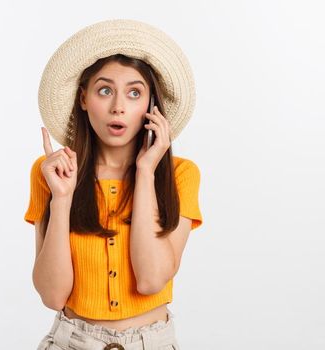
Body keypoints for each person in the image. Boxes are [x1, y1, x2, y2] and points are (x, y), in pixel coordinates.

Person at [26, 19, 202, 350]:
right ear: (83, 99)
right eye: (105, 90)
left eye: (134, 93)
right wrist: (61, 199)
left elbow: (151, 280)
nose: (118, 106)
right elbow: (52, 295)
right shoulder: (50, 172)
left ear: (151, 107)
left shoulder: (180, 175)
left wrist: (146, 173)